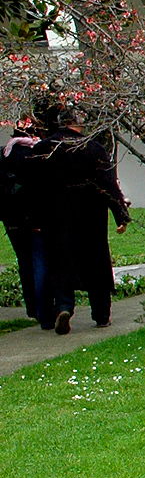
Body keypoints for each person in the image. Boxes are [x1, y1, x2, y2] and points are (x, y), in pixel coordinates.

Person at [36, 99, 130, 333]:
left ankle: (64, 306)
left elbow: (33, 187)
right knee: (96, 262)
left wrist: (33, 218)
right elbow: (108, 183)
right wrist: (120, 214)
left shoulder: (42, 149)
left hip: (54, 216)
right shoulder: (94, 148)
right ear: (80, 123)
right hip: (91, 216)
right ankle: (101, 315)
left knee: (60, 263)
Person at [2, 121, 48, 325]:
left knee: (24, 261)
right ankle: (43, 306)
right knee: (40, 260)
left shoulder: (4, 154)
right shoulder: (38, 153)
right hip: (36, 215)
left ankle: (31, 306)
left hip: (11, 216)